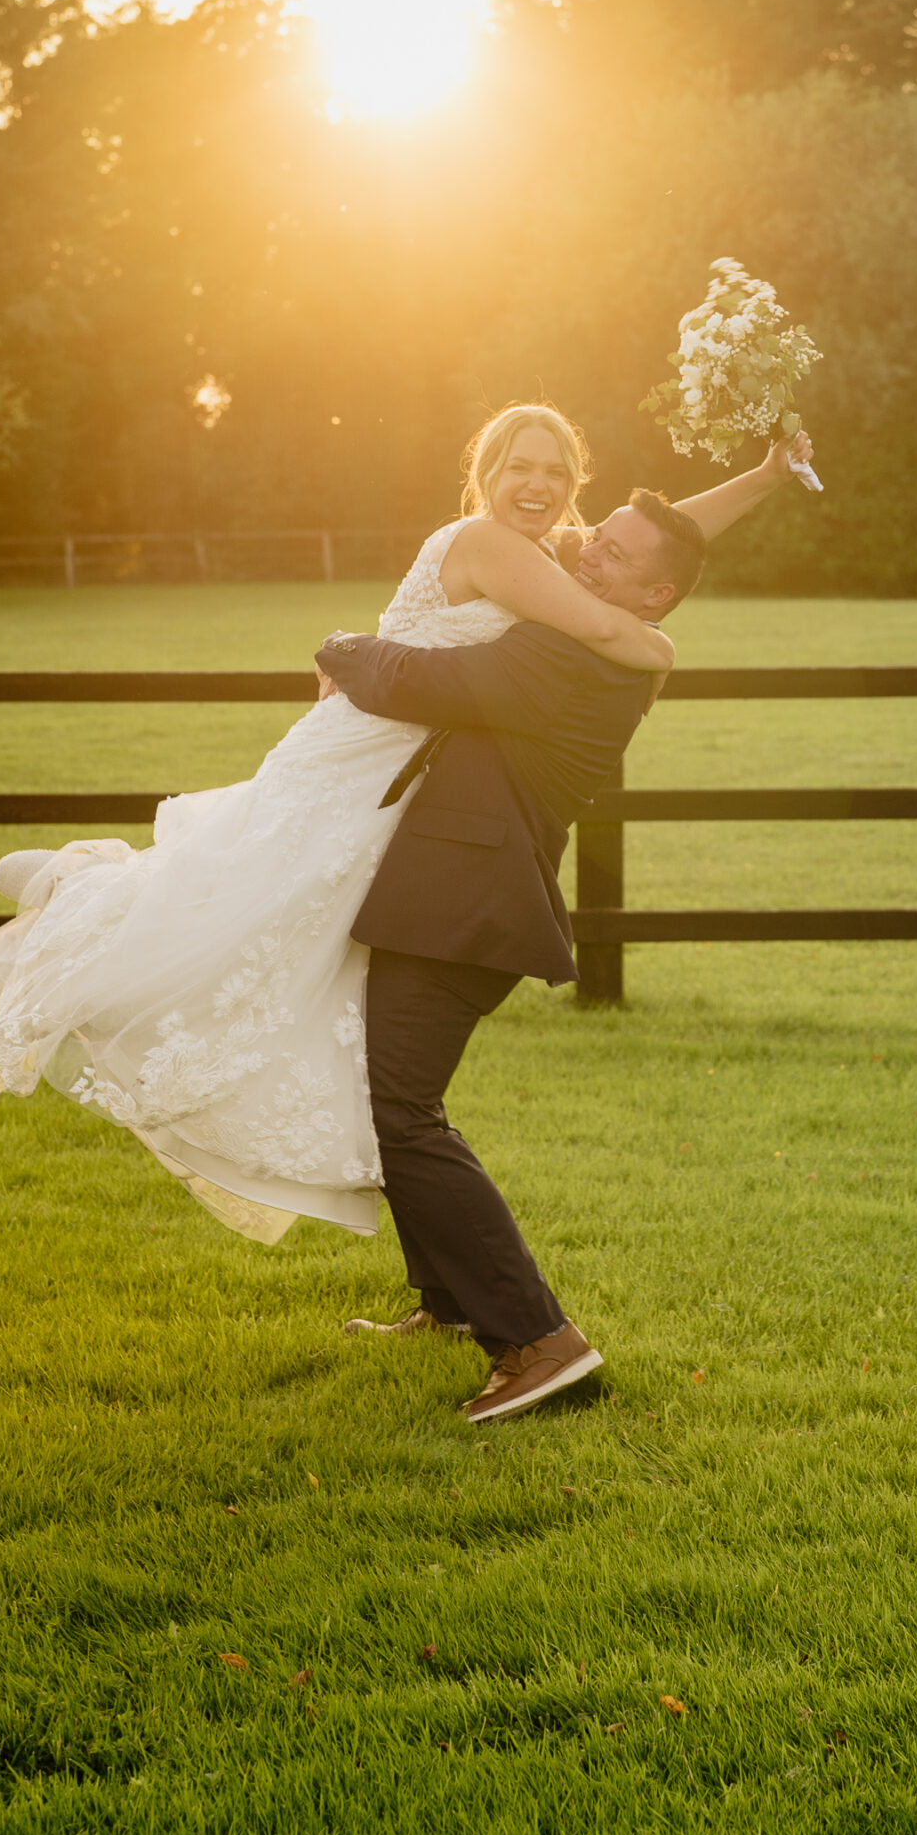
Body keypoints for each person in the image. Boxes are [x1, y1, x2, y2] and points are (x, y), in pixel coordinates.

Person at [0, 405, 813, 1264]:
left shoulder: (555, 551)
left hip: (403, 773)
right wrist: (654, 645)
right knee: (242, 896)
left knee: (279, 933)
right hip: (366, 743)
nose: (537, 484)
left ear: (576, 487)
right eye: (518, 466)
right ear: (485, 472)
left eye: (556, 472)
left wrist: (765, 477)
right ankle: (86, 896)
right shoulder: (490, 545)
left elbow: (656, 538)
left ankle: (99, 900)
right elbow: (608, 614)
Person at [316, 484, 710, 1423]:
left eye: (614, 556)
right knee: (397, 1102)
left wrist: (336, 647)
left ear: (654, 597)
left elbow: (416, 682)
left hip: (463, 910)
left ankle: (537, 1341)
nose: (585, 556)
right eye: (596, 537)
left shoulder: (570, 656)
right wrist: (768, 474)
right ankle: (450, 1304)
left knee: (397, 1108)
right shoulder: (596, 640)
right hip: (451, 898)